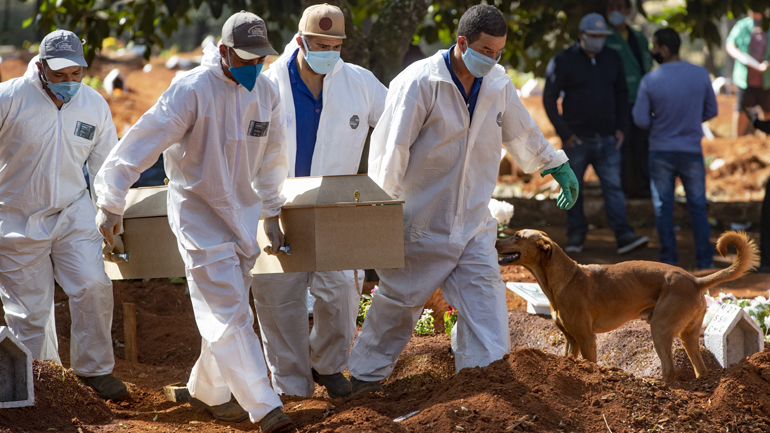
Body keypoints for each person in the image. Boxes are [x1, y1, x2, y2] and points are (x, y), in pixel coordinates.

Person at [346, 5, 579, 394]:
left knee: (487, 310)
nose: (492, 59)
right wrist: (383, 212)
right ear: (461, 42)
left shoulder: (498, 84)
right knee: (399, 306)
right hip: (420, 224)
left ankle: (482, 388)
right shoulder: (420, 82)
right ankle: (364, 379)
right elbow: (391, 152)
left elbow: (522, 132)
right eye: (485, 51)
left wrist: (554, 164)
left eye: (498, 52)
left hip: (473, 224)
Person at [93, 12, 295, 432]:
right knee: (228, 314)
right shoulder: (191, 90)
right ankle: (266, 407)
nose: (255, 68)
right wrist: (111, 201)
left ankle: (210, 391)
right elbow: (142, 141)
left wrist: (273, 209)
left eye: (261, 60)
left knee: (229, 308)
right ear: (223, 52)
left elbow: (274, 159)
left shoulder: (267, 92)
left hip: (243, 215)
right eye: (246, 59)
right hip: (199, 218)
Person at [252, 4, 387, 400]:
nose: (328, 51)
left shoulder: (360, 83)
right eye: (319, 44)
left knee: (342, 293)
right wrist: (265, 211)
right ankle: (292, 388)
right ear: (299, 41)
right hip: (276, 204)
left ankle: (326, 365)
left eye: (335, 45)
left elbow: (399, 125)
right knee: (279, 298)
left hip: (334, 207)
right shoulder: (267, 85)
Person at [0, 30, 127, 399]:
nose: (70, 83)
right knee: (30, 314)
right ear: (40, 68)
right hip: (15, 217)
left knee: (93, 285)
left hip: (73, 212)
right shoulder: (9, 99)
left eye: (77, 74)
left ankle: (94, 372)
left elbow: (107, 164)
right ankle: (42, 384)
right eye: (60, 75)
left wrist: (111, 207)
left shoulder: (93, 105)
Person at [543, 13, 649, 254]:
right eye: (594, 36)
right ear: (581, 35)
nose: (599, 40)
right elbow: (549, 98)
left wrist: (621, 128)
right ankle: (576, 237)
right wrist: (565, 132)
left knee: (614, 189)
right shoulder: (563, 60)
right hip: (576, 140)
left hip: (609, 139)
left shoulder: (613, 58)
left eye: (602, 36)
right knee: (573, 187)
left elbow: (623, 93)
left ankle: (624, 237)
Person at [633, 28, 718, 270]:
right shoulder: (700, 74)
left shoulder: (650, 79)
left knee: (663, 206)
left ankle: (668, 261)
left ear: (665, 49)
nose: (653, 52)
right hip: (691, 149)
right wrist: (690, 120)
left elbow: (640, 119)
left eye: (655, 47)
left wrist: (659, 124)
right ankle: (705, 262)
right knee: (698, 206)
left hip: (660, 149)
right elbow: (712, 110)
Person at [605, 0, 653, 198]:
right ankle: (622, 193)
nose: (614, 12)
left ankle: (645, 192)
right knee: (620, 149)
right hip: (617, 104)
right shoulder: (604, 38)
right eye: (610, 8)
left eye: (618, 7)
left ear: (628, 10)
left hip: (640, 102)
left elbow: (647, 66)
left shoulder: (639, 38)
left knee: (642, 147)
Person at [726, 8, 770, 137]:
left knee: (767, 112)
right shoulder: (743, 25)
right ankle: (736, 144)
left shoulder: (767, 25)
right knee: (741, 112)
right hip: (745, 81)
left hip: (766, 82)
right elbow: (730, 44)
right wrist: (739, 56)